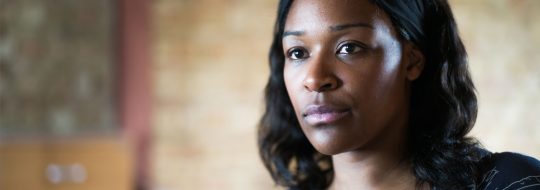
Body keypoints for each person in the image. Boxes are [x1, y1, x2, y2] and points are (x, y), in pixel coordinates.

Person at [257, 0, 540, 189]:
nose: (315, 79)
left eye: (349, 48)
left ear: (412, 60)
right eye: (297, 52)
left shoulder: (512, 183)